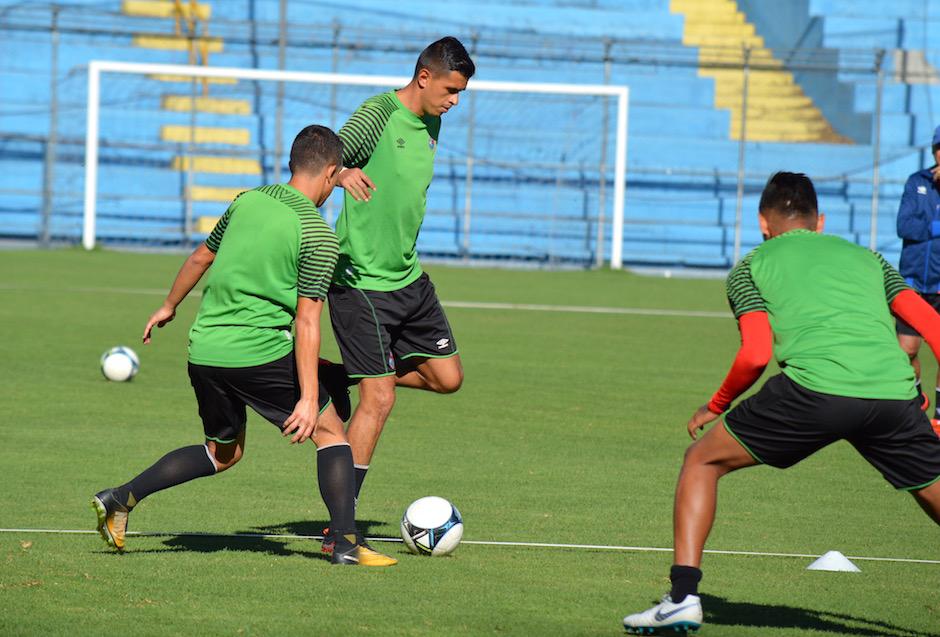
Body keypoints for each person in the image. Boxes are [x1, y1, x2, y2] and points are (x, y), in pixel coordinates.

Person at [622, 172, 940, 634]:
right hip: (892, 396)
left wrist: (716, 404)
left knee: (701, 462)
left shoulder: (750, 267)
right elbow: (931, 323)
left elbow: (755, 354)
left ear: (762, 223)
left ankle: (682, 597)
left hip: (814, 393)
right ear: (820, 221)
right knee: (932, 489)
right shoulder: (870, 258)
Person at [91, 125, 396, 567]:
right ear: (332, 172)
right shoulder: (317, 234)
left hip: (205, 352)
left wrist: (168, 305)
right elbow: (307, 320)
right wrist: (309, 399)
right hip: (258, 354)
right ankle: (346, 544)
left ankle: (120, 499)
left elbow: (201, 256)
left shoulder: (247, 200)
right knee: (332, 435)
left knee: (222, 453)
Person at [324, 37, 475, 532]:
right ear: (425, 76)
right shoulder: (377, 113)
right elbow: (325, 160)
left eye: (462, 93)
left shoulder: (433, 122)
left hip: (408, 278)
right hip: (360, 281)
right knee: (381, 398)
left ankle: (341, 374)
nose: (455, 101)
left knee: (448, 379)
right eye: (451, 89)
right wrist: (342, 172)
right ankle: (341, 526)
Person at [896, 124, 940, 431]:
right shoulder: (917, 182)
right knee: (906, 351)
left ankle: (939, 416)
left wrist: (927, 225)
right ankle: (916, 397)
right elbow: (904, 227)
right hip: (912, 282)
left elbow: (917, 226)